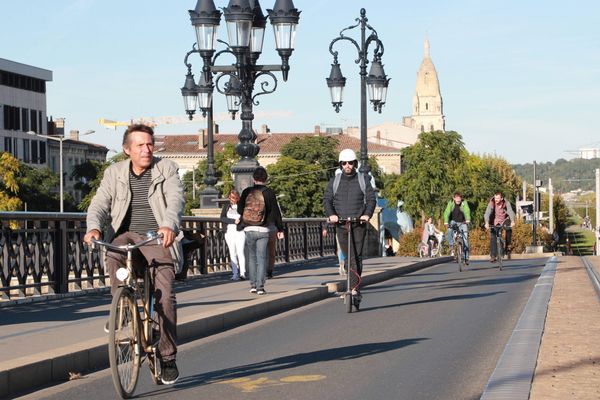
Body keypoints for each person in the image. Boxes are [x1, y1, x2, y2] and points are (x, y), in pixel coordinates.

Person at [83, 124, 184, 385]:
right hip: (125, 234)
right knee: (113, 252)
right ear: (127, 150)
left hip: (155, 236)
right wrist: (93, 227)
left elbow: (175, 200)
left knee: (166, 293)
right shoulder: (114, 172)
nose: (146, 149)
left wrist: (168, 226)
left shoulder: (166, 168)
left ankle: (168, 355)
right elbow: (99, 203)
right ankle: (123, 312)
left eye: (149, 144)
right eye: (140, 145)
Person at [323, 149, 377, 310]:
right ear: (340, 164)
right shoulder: (335, 181)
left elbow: (371, 199)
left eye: (350, 163)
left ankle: (354, 289)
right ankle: (353, 286)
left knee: (356, 257)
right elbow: (327, 200)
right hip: (341, 223)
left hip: (358, 223)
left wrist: (366, 215)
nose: (348, 166)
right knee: (348, 257)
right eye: (344, 163)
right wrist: (332, 215)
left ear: (355, 164)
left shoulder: (363, 179)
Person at [238, 167, 284, 295]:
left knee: (252, 258)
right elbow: (275, 211)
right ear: (266, 179)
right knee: (262, 257)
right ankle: (260, 287)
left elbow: (239, 209)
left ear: (253, 178)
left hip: (248, 228)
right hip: (264, 229)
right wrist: (280, 228)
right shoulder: (269, 192)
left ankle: (252, 285)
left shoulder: (247, 191)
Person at [220, 190, 246, 281]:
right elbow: (222, 218)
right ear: (229, 198)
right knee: (232, 253)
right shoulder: (226, 206)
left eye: (235, 198)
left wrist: (240, 222)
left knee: (240, 252)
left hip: (239, 232)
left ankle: (242, 273)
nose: (233, 200)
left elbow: (245, 218)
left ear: (238, 198)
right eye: (231, 198)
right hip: (229, 232)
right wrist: (233, 221)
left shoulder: (242, 207)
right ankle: (235, 274)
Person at [484, 190, 516, 262]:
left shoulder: (506, 203)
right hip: (495, 221)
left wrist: (513, 221)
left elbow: (510, 211)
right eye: (495, 198)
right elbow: (487, 212)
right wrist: (486, 222)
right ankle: (493, 256)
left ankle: (508, 246)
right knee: (493, 237)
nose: (496, 200)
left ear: (501, 198)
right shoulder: (492, 202)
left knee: (508, 229)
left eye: (498, 198)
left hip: (505, 219)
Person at [443, 191, 471, 265]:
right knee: (449, 229)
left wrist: (468, 219)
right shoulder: (451, 203)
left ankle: (466, 258)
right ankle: (451, 245)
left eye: (460, 198)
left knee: (465, 239)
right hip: (453, 222)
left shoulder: (464, 203)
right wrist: (446, 221)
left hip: (463, 222)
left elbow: (467, 210)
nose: (458, 200)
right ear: (454, 198)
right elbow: (447, 212)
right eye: (457, 198)